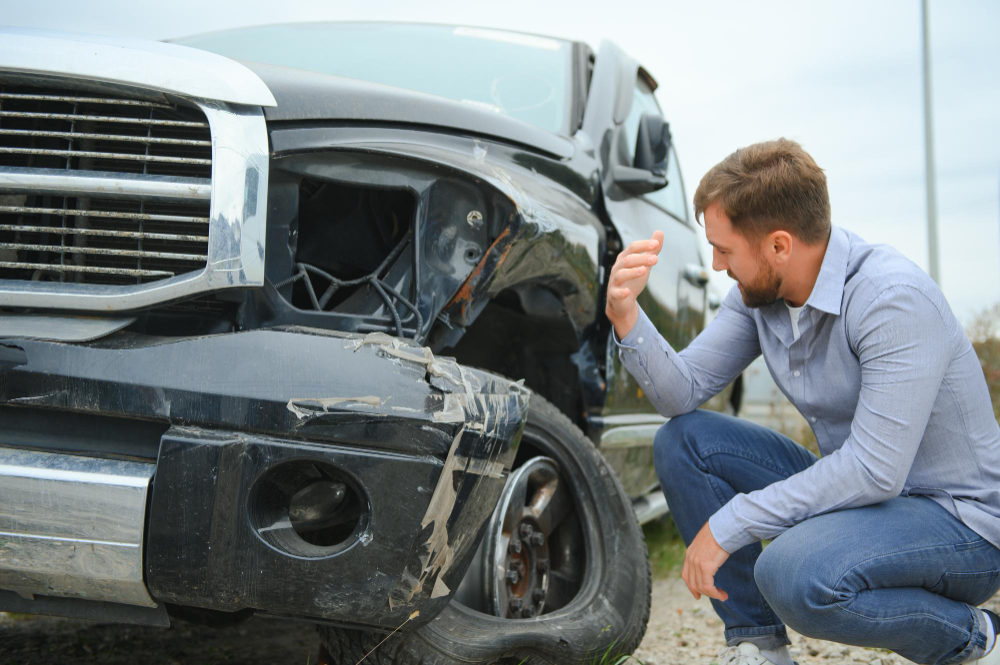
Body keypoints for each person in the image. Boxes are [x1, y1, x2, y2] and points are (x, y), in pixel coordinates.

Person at [606, 138, 1000, 665]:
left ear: (779, 246)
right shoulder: (759, 297)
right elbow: (681, 393)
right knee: (685, 440)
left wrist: (731, 522)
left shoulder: (891, 299)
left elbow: (874, 470)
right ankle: (759, 644)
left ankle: (977, 635)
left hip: (959, 524)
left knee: (793, 574)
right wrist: (625, 315)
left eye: (725, 250)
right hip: (869, 502)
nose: (718, 265)